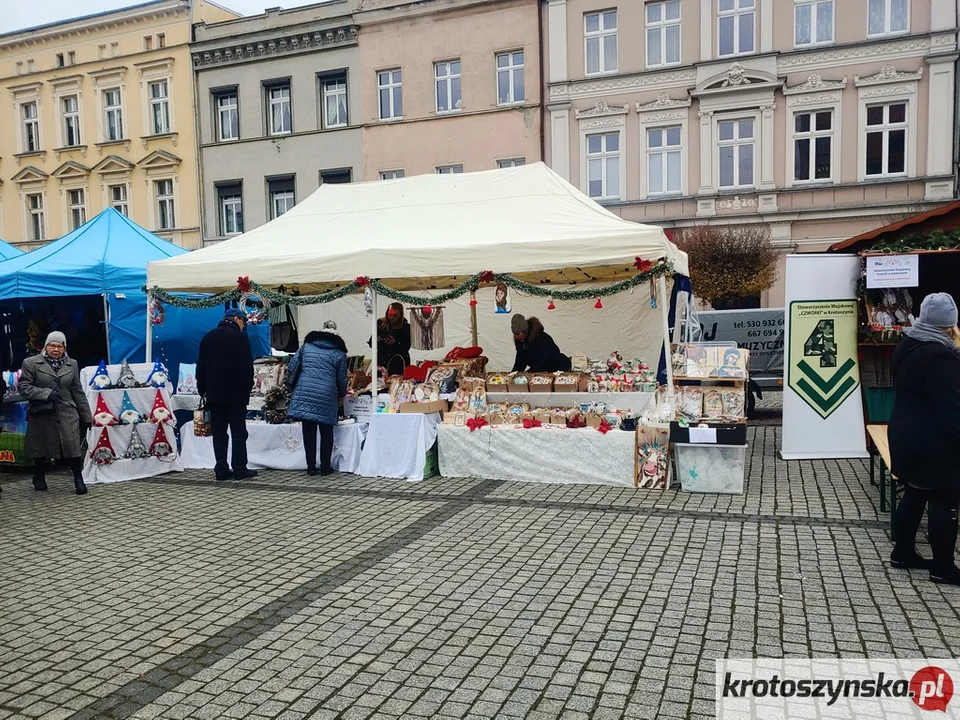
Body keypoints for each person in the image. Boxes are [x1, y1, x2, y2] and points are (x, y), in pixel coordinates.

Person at [888, 292, 960, 586]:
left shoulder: (907, 344)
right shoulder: (940, 355)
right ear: (949, 325)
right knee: (944, 498)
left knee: (915, 492)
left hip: (905, 433)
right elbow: (951, 407)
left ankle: (903, 552)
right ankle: (943, 566)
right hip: (933, 440)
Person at [19, 332, 92, 495]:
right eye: (52, 345)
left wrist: (87, 416)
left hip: (67, 410)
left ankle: (78, 479)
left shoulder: (72, 364)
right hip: (42, 411)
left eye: (60, 346)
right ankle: (38, 475)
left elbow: (77, 390)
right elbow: (24, 387)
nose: (56, 349)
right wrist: (46, 393)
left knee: (72, 445)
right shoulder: (31, 363)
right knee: (40, 446)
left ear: (64, 348)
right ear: (46, 346)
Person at [197, 309, 256, 481]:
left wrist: (203, 390)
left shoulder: (208, 337)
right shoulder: (240, 338)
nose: (243, 325)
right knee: (238, 433)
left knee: (219, 433)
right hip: (236, 395)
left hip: (214, 394)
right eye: (243, 322)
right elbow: (247, 368)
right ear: (237, 319)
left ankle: (221, 468)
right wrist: (247, 389)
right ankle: (239, 468)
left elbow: (201, 367)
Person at [287, 320, 348, 476]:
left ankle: (311, 467)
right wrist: (342, 393)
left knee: (308, 431)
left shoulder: (306, 347)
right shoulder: (339, 354)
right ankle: (325, 467)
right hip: (327, 394)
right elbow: (342, 379)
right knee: (326, 432)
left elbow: (291, 367)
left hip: (305, 390)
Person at [373, 302, 411, 377]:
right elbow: (372, 342)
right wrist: (379, 340)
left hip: (398, 362)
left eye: (395, 316)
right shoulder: (380, 324)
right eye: (390, 315)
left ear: (400, 316)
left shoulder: (406, 327)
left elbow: (407, 346)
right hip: (382, 360)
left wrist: (395, 343)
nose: (392, 318)